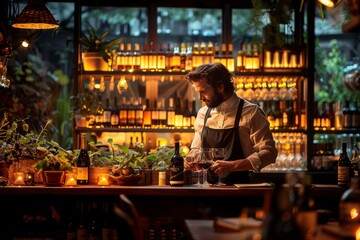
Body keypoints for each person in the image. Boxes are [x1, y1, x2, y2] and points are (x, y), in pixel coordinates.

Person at [184, 62, 277, 184]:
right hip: (207, 189)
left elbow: (269, 152)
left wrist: (233, 166)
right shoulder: (202, 113)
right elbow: (197, 149)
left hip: (240, 189)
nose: (200, 97)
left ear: (220, 88)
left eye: (204, 92)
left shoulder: (251, 112)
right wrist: (191, 159)